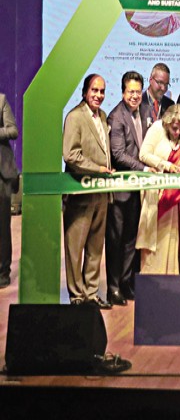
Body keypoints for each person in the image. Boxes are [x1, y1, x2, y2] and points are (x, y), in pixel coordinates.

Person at [62, 74, 114, 308]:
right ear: (85, 92)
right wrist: (98, 169)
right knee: (75, 249)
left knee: (95, 248)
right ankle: (77, 296)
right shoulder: (74, 117)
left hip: (101, 193)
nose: (99, 95)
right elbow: (71, 155)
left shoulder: (102, 116)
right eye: (94, 90)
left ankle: (91, 294)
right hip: (80, 193)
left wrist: (106, 172)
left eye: (102, 91)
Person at [136, 104, 180, 274]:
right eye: (174, 127)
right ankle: (151, 281)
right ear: (167, 122)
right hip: (157, 197)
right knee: (154, 243)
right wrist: (165, 165)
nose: (177, 132)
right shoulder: (157, 129)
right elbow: (143, 154)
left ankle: (169, 281)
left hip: (176, 200)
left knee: (172, 241)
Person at [106, 71, 149, 305]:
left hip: (137, 190)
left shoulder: (144, 112)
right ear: (123, 92)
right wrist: (145, 168)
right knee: (116, 241)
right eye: (131, 91)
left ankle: (125, 284)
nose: (135, 96)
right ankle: (113, 288)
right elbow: (118, 154)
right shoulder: (116, 117)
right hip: (120, 190)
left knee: (131, 239)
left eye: (138, 92)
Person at [0, 91, 18, 289]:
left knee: (2, 226)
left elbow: (13, 130)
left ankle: (3, 272)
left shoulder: (1, 100)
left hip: (1, 174)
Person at [141, 62, 174, 127]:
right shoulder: (138, 103)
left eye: (166, 84)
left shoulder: (170, 105)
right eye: (160, 83)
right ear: (150, 79)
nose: (163, 88)